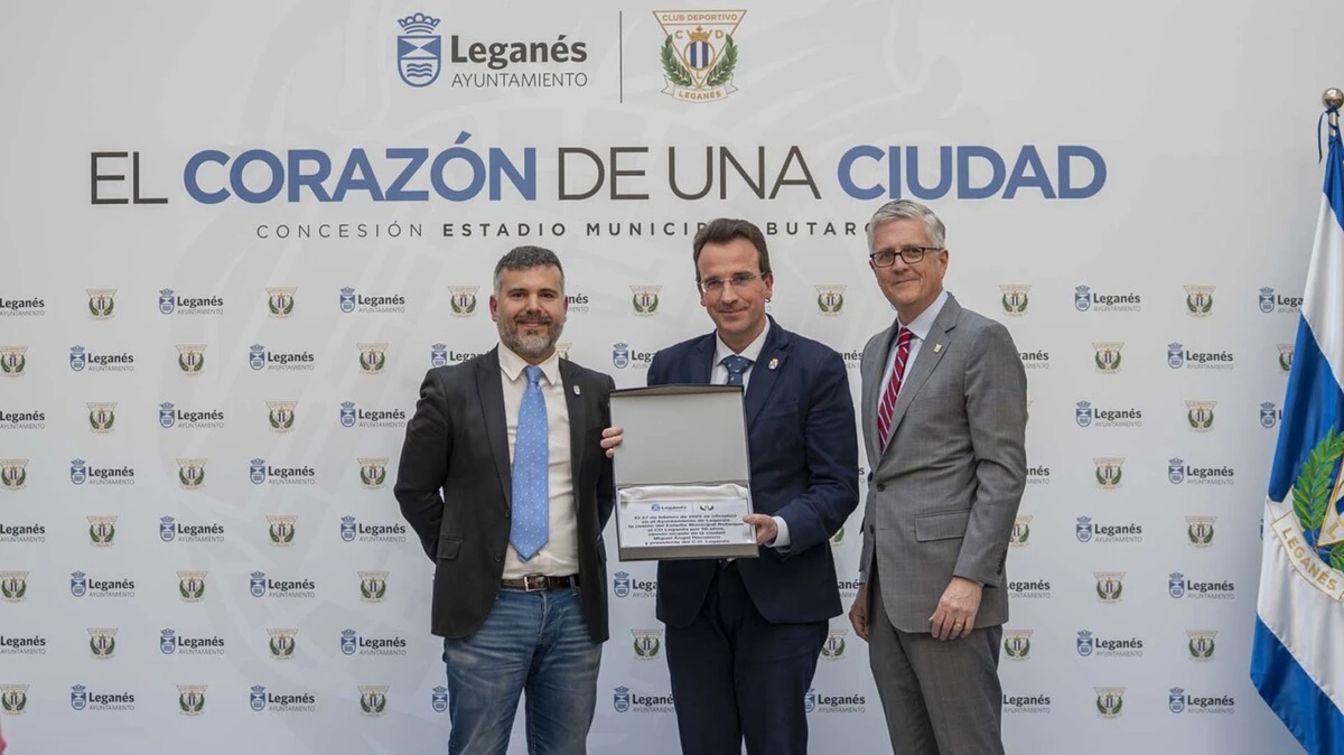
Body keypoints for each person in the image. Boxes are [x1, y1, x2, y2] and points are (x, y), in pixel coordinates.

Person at [602, 218, 858, 754]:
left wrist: (780, 527)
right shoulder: (671, 365)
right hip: (693, 600)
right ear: (699, 292)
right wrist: (628, 459)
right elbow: (658, 478)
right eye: (713, 282)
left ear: (768, 283)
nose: (728, 295)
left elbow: (838, 485)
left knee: (777, 746)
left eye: (741, 279)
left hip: (780, 596)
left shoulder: (817, 366)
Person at [395, 245, 615, 755]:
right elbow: (414, 489)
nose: (532, 306)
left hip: (574, 613)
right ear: (495, 307)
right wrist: (461, 555)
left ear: (564, 306)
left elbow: (599, 494)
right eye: (518, 294)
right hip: (488, 611)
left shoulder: (596, 389)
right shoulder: (451, 388)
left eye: (546, 294)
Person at [848, 200, 1027, 754]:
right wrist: (866, 581)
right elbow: (887, 479)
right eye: (885, 255)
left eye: (913, 251)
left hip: (952, 596)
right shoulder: (878, 349)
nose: (899, 264)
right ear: (874, 267)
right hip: (888, 599)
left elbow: (1002, 471)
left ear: (942, 260)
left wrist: (971, 578)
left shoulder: (981, 339)